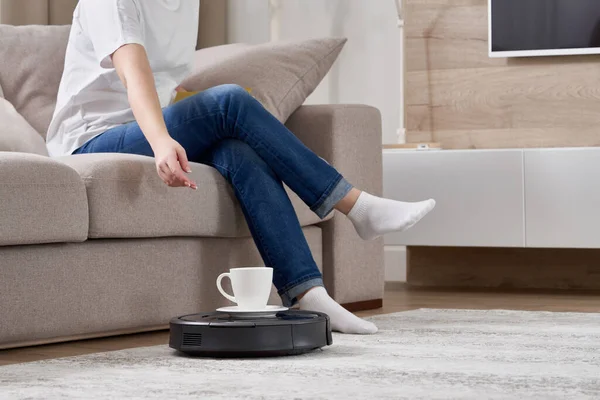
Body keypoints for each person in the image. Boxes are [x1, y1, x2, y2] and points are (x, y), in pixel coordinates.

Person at [47, 0, 435, 334]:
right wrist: (162, 140)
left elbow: (168, 80)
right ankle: (356, 204)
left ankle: (309, 296)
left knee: (239, 151)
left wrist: (192, 121)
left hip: (152, 122)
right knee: (229, 101)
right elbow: (135, 75)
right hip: (91, 139)